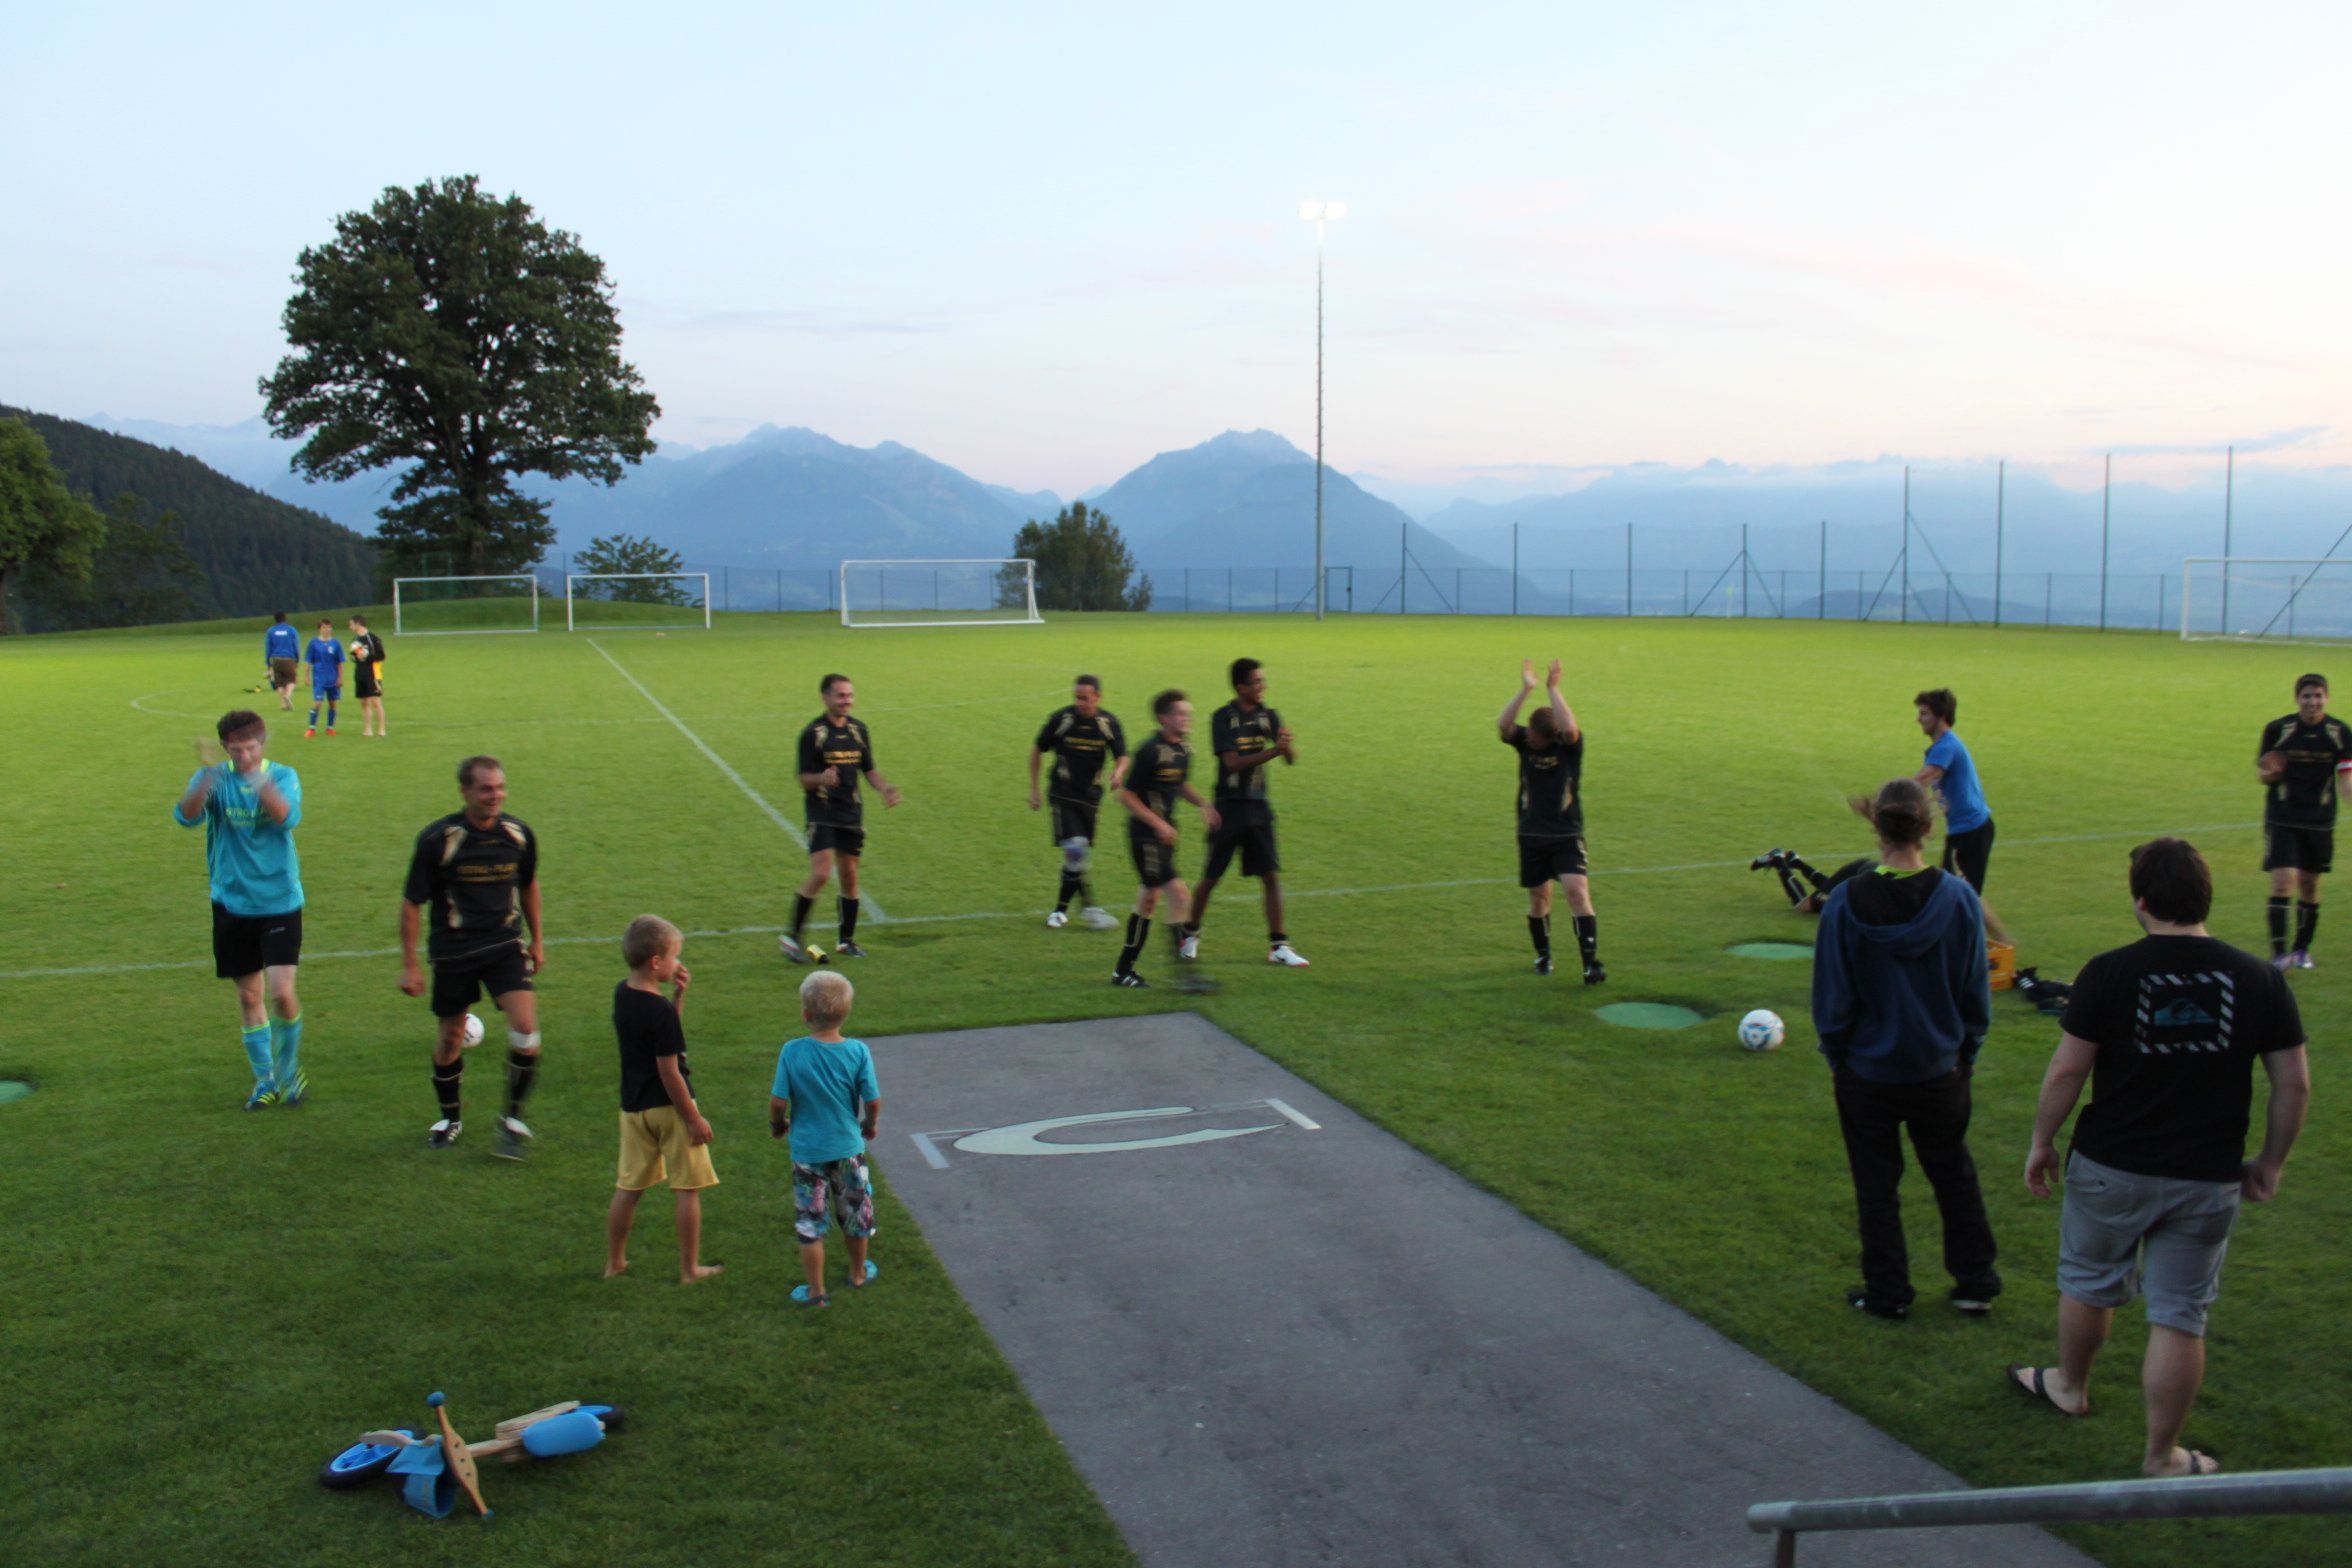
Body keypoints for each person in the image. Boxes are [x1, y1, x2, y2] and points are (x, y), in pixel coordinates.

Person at [2009, 838, 2309, 1477]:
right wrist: (2271, 1161)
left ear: (2141, 901)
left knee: (2088, 1281)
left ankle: (2070, 1387)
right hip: (2207, 1178)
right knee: (2179, 1314)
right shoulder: (2259, 978)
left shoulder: (2109, 972)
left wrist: (2041, 1140)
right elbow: (2294, 1083)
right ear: (2205, 897)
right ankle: (2160, 1456)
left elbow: (2067, 1070)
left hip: (2111, 1168)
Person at [1811, 777, 1999, 1321]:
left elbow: (1832, 994)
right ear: (1928, 826)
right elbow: (1975, 989)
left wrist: (1839, 1057)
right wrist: (1966, 1053)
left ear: (1877, 824)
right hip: (1939, 1069)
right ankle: (1975, 1283)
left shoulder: (1846, 902)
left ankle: (1888, 1292)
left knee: (1876, 1186)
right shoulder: (1958, 898)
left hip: (1867, 1072)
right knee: (1953, 1174)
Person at [400, 755, 545, 1157]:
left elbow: (529, 885)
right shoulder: (438, 839)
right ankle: (451, 1118)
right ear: (465, 791)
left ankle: (512, 1120)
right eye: (485, 788)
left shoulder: (518, 834)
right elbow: (412, 903)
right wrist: (410, 965)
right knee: (450, 1037)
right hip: (454, 951)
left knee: (526, 1031)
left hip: (504, 946)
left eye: (500, 787)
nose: (495, 795)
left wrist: (537, 940)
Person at [172, 709, 307, 1109]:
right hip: (232, 902)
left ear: (262, 743)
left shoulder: (282, 776)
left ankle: (289, 1070)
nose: (244, 757)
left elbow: (286, 818)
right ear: (225, 748)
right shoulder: (213, 778)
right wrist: (207, 778)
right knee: (250, 998)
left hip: (279, 900)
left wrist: (257, 780)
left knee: (281, 993)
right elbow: (185, 817)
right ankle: (265, 1080)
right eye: (236, 751)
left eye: (250, 748)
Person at [605, 915, 721, 1284]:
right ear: (656, 962)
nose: (678, 963)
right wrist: (693, 1119)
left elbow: (660, 1036)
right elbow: (670, 1071)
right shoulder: (660, 1012)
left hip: (633, 1108)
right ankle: (689, 1269)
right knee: (687, 1189)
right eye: (674, 956)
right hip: (671, 1109)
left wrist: (678, 999)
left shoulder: (623, 994)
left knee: (628, 1188)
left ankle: (615, 1263)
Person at [1183, 657, 1306, 967]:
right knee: (1211, 877)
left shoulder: (1268, 715)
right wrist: (1275, 750)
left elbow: (1290, 759)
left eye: (1263, 680)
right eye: (1257, 682)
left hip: (1258, 807)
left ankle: (1279, 945)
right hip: (1228, 808)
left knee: (1270, 876)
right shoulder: (1223, 718)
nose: (1263, 686)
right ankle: (1190, 934)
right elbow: (1233, 763)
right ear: (1241, 687)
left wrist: (1286, 746)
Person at [770, 971, 881, 1307]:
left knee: (811, 1222)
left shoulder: (792, 1051)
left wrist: (778, 1124)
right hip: (848, 1149)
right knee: (855, 1213)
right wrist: (869, 1124)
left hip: (808, 1153)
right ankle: (858, 1273)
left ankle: (816, 1291)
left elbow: (778, 1102)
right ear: (845, 1013)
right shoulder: (858, 1051)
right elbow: (873, 1100)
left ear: (806, 1014)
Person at [779, 674, 901, 964]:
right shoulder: (813, 733)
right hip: (822, 813)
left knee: (849, 876)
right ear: (825, 698)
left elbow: (869, 769)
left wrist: (884, 788)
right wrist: (821, 778)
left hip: (850, 813)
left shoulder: (859, 730)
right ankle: (792, 938)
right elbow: (803, 778)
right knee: (821, 874)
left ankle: (846, 941)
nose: (847, 701)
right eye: (841, 695)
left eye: (850, 695)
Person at [1498, 658, 1604, 982]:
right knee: (1538, 897)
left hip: (1566, 833)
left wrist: (1553, 688)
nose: (1528, 738)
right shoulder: (1524, 742)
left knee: (1577, 892)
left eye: (1534, 736)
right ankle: (1543, 955)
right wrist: (1526, 690)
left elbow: (1570, 729)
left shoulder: (1567, 748)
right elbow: (1504, 726)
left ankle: (1590, 964)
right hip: (1531, 833)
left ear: (1548, 737)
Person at [1111, 689, 1220, 988]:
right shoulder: (1149, 750)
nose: (1187, 718)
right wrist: (1158, 824)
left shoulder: (1184, 749)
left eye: (1188, 713)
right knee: (1179, 896)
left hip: (1164, 836)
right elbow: (1127, 796)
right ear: (1163, 718)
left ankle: (1123, 970)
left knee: (1148, 901)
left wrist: (1203, 804)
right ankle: (1187, 976)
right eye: (1180, 714)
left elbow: (1179, 784)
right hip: (1145, 837)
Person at [2254, 672, 2352, 968]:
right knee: (2283, 882)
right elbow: (2263, 774)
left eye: (2318, 696)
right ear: (2297, 699)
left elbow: (2346, 778)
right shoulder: (2278, 729)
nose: (2312, 701)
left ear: (2327, 698)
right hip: (2283, 817)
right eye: (2307, 696)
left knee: (2309, 886)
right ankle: (2279, 954)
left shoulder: (2340, 732)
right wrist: (2269, 773)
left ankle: (2301, 950)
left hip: (2319, 821)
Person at [1029, 674, 1128, 931]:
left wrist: (1118, 772)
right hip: (1062, 794)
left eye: (1085, 698)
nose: (1080, 703)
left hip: (1091, 797)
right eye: (1077, 698)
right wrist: (1034, 790)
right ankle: (1063, 911)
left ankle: (1082, 908)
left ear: (1097, 697)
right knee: (1076, 848)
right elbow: (1037, 749)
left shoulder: (1107, 723)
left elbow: (1122, 755)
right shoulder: (1062, 719)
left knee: (1078, 856)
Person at [1911, 687, 1993, 893]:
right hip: (1964, 830)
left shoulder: (1946, 747)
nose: (1918, 719)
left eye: (1924, 714)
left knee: (1961, 895)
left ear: (1941, 716)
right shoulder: (1945, 745)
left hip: (1971, 832)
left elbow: (1922, 780)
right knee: (1950, 892)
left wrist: (1885, 798)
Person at [1753, 847, 1873, 914]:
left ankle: (1795, 861)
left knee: (1833, 893)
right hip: (1863, 878)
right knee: (1804, 906)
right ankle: (1778, 860)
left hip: (1866, 869)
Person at [347, 614, 388, 737]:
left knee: (376, 701)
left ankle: (381, 729)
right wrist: (355, 656)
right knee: (364, 702)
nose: (350, 627)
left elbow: (381, 656)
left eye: (351, 624)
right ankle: (368, 729)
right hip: (360, 673)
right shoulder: (355, 640)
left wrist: (367, 656)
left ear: (358, 624)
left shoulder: (373, 639)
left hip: (373, 674)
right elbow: (354, 657)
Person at [303, 618, 344, 738]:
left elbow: (339, 662)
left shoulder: (336, 643)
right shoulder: (313, 643)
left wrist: (340, 677)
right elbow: (308, 661)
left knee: (332, 703)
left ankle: (330, 728)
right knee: (318, 703)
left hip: (332, 678)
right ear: (319, 629)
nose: (327, 630)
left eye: (329, 627)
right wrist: (307, 676)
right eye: (324, 627)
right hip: (319, 678)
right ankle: (311, 728)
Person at [264, 612, 299, 711]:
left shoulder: (271, 631)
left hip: (276, 660)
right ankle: (287, 696)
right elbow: (295, 645)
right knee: (292, 680)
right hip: (288, 659)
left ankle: (283, 704)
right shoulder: (291, 630)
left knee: (279, 683)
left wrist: (268, 663)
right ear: (285, 618)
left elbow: (268, 648)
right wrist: (297, 659)